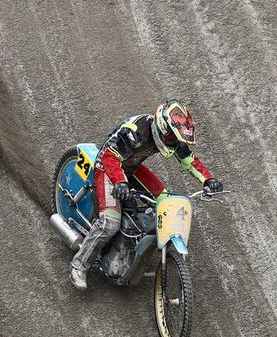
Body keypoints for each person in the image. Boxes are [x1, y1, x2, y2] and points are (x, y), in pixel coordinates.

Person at [69, 101, 223, 290]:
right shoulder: (136, 131)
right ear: (162, 127)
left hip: (131, 167)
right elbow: (109, 156)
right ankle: (79, 266)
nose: (173, 142)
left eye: (176, 138)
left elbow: (189, 160)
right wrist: (120, 182)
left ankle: (135, 241)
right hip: (108, 168)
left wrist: (208, 179)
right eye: (171, 137)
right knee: (110, 222)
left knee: (165, 201)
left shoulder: (171, 137)